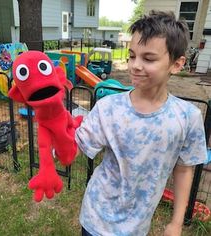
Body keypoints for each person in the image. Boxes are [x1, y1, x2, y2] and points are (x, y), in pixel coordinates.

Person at [75, 10, 208, 236]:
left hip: (137, 226)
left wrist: (176, 223)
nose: (135, 65)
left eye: (148, 58)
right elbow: (76, 148)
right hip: (96, 217)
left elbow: (185, 169)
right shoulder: (109, 108)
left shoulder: (187, 117)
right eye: (131, 55)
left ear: (176, 64)